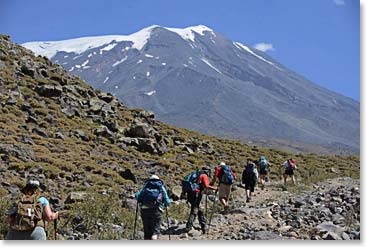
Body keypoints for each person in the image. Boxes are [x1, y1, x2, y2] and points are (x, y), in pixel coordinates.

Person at [135, 175, 170, 240]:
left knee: (147, 231)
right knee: (155, 231)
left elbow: (138, 197)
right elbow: (167, 201)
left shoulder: (146, 186)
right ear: (158, 180)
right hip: (156, 210)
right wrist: (165, 204)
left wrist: (136, 195)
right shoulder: (160, 187)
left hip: (144, 211)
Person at [186, 167, 217, 234]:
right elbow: (206, 186)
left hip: (190, 194)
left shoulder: (196, 174)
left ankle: (203, 227)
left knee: (199, 210)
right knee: (194, 211)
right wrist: (215, 188)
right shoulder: (204, 176)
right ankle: (188, 228)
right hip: (196, 194)